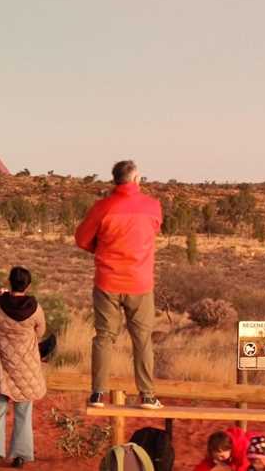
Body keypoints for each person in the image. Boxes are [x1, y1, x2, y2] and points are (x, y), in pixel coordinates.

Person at [74, 160, 163, 410]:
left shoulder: (102, 207)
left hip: (107, 281)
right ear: (135, 179)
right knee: (143, 340)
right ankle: (147, 395)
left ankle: (98, 394)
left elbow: (81, 239)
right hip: (140, 282)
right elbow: (154, 230)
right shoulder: (152, 206)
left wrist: (101, 248)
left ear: (115, 180)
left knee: (104, 337)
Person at [0, 267, 47, 470]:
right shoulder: (35, 308)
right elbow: (40, 331)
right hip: (27, 368)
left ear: (9, 282)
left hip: (1, 365)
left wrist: (4, 296)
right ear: (28, 285)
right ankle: (20, 455)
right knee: (23, 411)